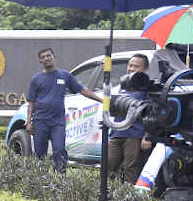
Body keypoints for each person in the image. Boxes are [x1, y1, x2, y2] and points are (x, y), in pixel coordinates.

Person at [26, 48, 101, 171]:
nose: (46, 58)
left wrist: (101, 100)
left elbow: (83, 90)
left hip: (58, 122)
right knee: (40, 152)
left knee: (60, 149)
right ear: (40, 61)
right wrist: (29, 121)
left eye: (48, 55)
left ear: (54, 57)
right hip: (40, 120)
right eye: (43, 57)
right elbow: (31, 101)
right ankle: (40, 179)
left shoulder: (65, 75)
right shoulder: (36, 79)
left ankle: (60, 179)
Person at [107, 53, 153, 185]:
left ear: (145, 69)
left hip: (135, 136)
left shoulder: (147, 86)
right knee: (108, 166)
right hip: (117, 133)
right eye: (130, 65)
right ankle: (105, 200)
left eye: (136, 66)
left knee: (131, 170)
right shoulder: (124, 84)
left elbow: (152, 112)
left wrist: (147, 135)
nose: (132, 68)